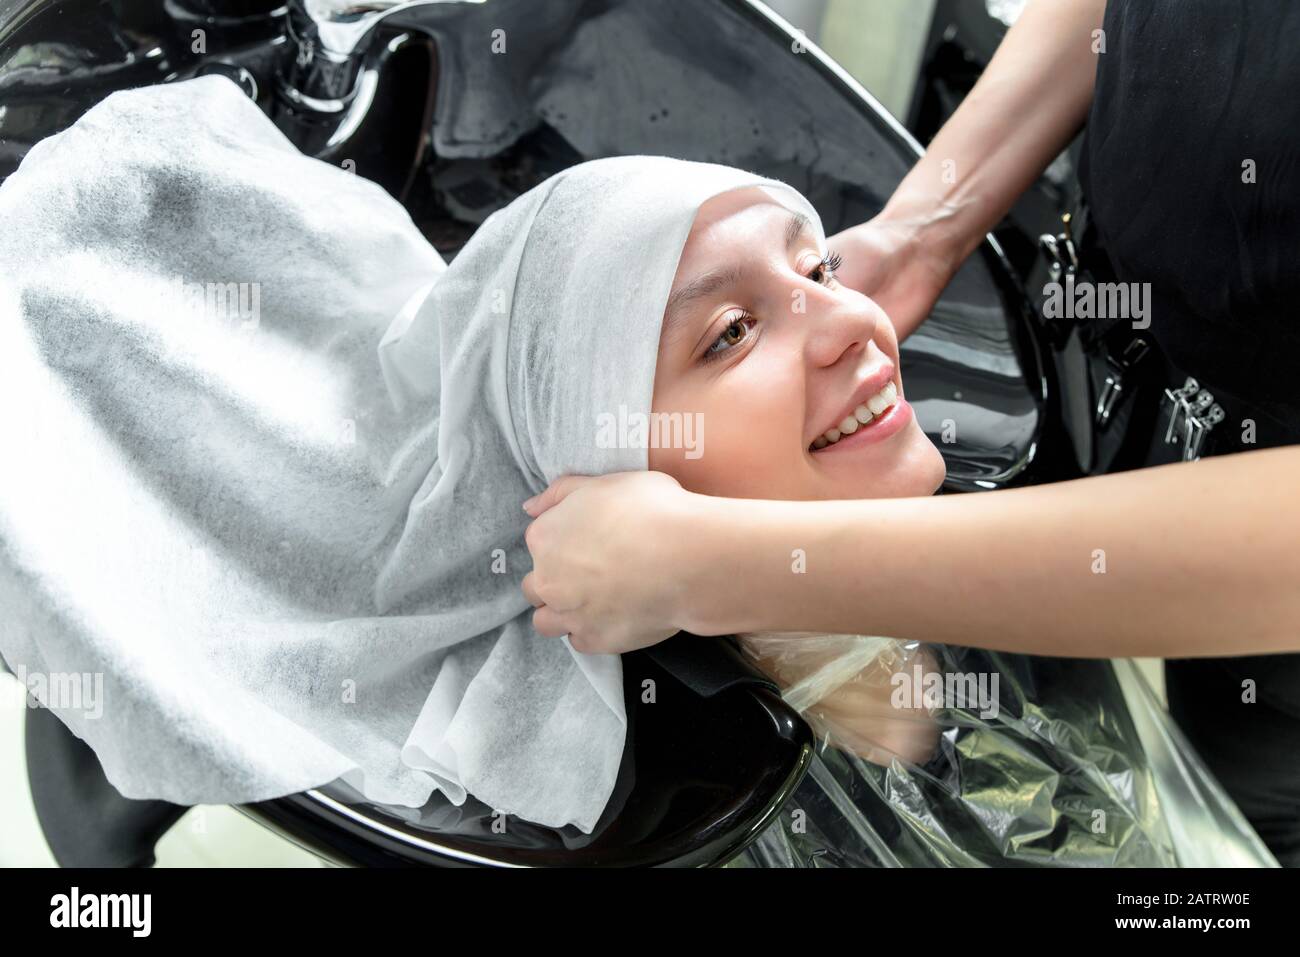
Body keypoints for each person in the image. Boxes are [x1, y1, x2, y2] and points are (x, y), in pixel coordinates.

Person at [520, 0, 1300, 864]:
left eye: (818, 268)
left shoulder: (1012, 613)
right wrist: (919, 234)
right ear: (608, 454)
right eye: (733, 331)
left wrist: (717, 567)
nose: (854, 317)